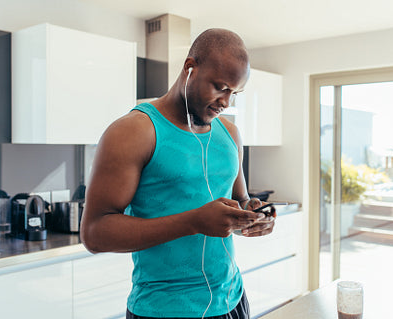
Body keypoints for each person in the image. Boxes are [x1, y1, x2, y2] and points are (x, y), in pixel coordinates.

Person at [80, 28, 276, 319]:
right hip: (163, 310)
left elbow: (240, 199)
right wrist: (194, 221)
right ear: (190, 68)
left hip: (233, 301)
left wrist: (255, 215)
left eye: (234, 93)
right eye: (221, 87)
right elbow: (94, 234)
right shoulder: (133, 131)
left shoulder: (230, 134)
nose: (226, 102)